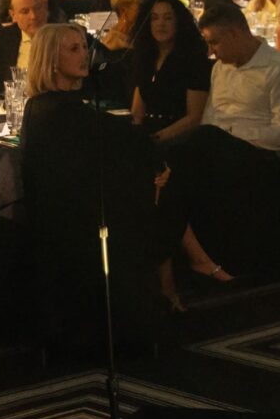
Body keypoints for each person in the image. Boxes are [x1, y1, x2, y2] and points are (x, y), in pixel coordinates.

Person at [18, 21, 174, 329]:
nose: (84, 55)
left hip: (64, 219)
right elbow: (127, 140)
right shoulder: (63, 112)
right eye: (73, 49)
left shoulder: (40, 106)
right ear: (51, 60)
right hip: (80, 223)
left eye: (84, 47)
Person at [167, 4, 280, 280]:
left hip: (261, 156)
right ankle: (193, 258)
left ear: (234, 34)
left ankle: (193, 261)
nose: (211, 51)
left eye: (214, 42)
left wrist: (230, 135)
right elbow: (210, 118)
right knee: (165, 164)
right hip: (217, 149)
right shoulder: (221, 69)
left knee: (193, 149)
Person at [129, 0, 212, 141]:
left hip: (181, 137)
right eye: (154, 18)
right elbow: (137, 113)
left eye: (168, 18)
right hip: (148, 133)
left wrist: (156, 139)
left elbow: (195, 117)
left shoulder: (194, 60)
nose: (161, 24)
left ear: (179, 22)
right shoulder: (146, 58)